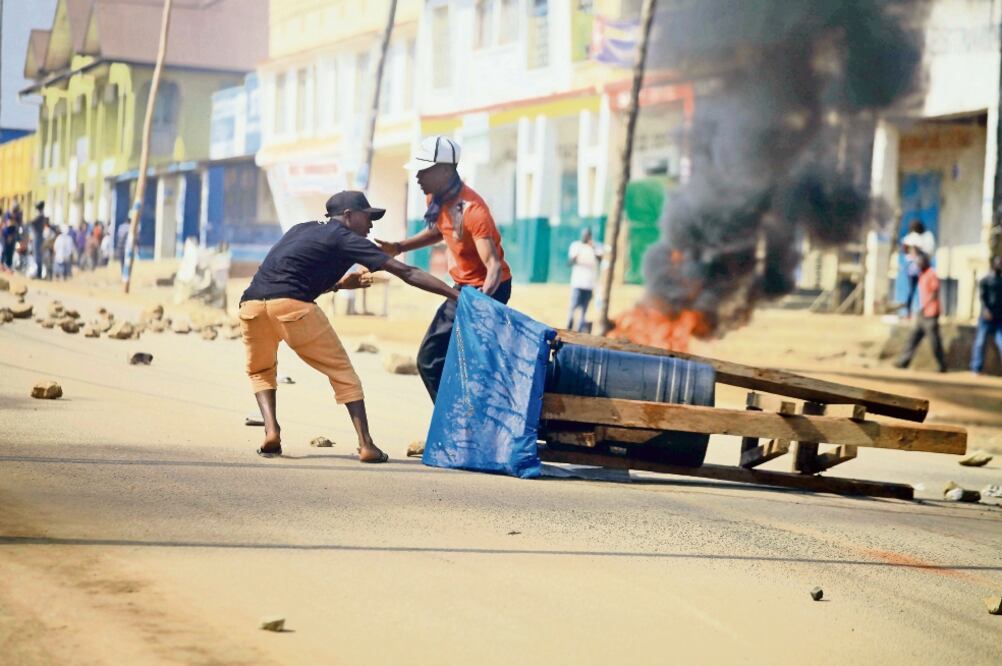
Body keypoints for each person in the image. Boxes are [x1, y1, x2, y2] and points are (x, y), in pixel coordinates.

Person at [240, 190, 460, 460]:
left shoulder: (300, 229)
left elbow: (287, 272)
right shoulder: (347, 238)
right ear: (348, 216)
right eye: (367, 217)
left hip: (251, 306)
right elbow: (407, 272)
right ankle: (366, 445)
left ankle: (271, 431)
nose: (371, 225)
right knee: (344, 374)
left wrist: (341, 285)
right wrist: (456, 296)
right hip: (292, 307)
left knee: (260, 370)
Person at [377, 135, 513, 402]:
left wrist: (479, 305)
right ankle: (451, 417)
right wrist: (399, 246)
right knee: (430, 359)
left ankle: (467, 418)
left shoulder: (473, 210)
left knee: (463, 362)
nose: (417, 177)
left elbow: (493, 266)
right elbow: (442, 230)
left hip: (488, 291)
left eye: (424, 170)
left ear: (446, 170)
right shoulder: (436, 198)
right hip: (462, 289)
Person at [895, 253, 947, 372]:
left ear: (925, 262)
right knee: (913, 338)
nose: (918, 264)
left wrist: (925, 305)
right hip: (922, 313)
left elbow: (934, 292)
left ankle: (942, 365)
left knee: (935, 341)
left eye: (919, 262)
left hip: (931, 313)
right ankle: (903, 362)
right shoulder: (921, 275)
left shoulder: (931, 274)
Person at [971, 255, 1002, 375]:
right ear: (993, 264)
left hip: (999, 318)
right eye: (998, 262)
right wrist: (986, 310)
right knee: (980, 342)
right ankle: (976, 368)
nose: (1000, 265)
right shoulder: (985, 280)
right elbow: (982, 297)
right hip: (986, 317)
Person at [567, 228, 602, 332]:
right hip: (577, 282)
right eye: (584, 235)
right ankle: (570, 322)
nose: (586, 237)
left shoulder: (596, 246)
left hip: (589, 283)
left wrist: (593, 247)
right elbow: (570, 262)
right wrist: (579, 251)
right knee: (573, 305)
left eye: (588, 235)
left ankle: (580, 327)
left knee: (584, 308)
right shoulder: (576, 245)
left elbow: (600, 259)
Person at [900, 219, 935, 317]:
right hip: (915, 269)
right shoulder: (916, 238)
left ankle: (912, 311)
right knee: (917, 290)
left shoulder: (913, 238)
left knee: (915, 290)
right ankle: (913, 311)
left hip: (914, 268)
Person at [30, 202, 47, 279]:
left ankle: (38, 274)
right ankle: (38, 273)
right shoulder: (42, 215)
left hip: (38, 236)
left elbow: (32, 222)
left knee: (37, 256)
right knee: (37, 255)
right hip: (38, 236)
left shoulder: (40, 215)